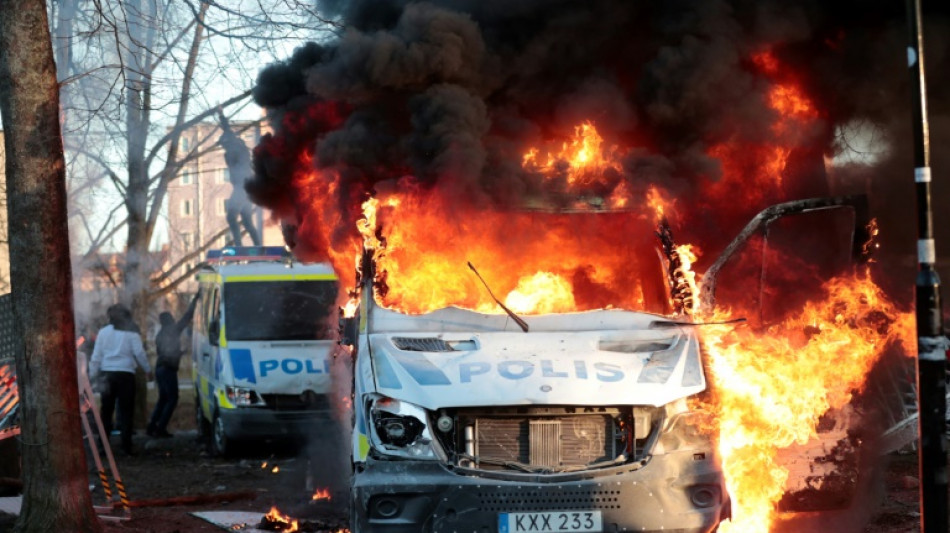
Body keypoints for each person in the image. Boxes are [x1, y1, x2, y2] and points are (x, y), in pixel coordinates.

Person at [90, 304, 153, 455]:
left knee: (106, 411)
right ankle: (126, 446)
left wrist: (92, 375)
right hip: (126, 374)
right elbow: (139, 353)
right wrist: (148, 370)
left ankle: (103, 446)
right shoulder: (131, 332)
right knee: (126, 411)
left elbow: (96, 356)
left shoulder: (103, 332)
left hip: (107, 374)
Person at [147, 294, 200, 438]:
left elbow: (165, 352)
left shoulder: (160, 334)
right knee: (172, 399)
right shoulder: (173, 330)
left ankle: (152, 426)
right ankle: (161, 428)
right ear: (170, 320)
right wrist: (195, 300)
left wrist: (180, 352)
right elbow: (187, 317)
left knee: (163, 399)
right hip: (168, 369)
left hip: (160, 368)